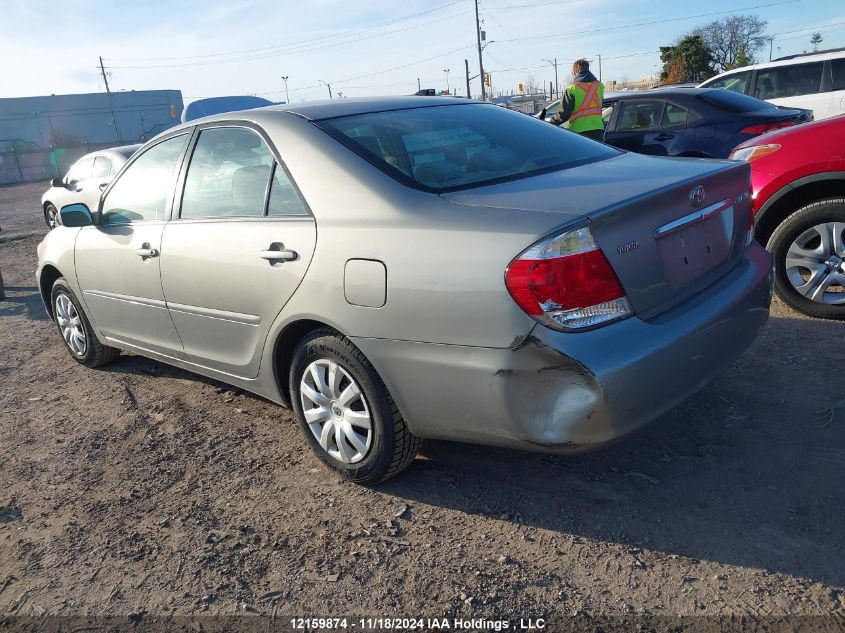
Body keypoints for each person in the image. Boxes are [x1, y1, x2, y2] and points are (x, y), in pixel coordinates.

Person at [552, 58, 605, 141]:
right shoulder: (599, 86)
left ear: (575, 72)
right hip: (598, 130)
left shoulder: (572, 89)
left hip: (579, 132)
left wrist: (549, 124)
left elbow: (563, 115)